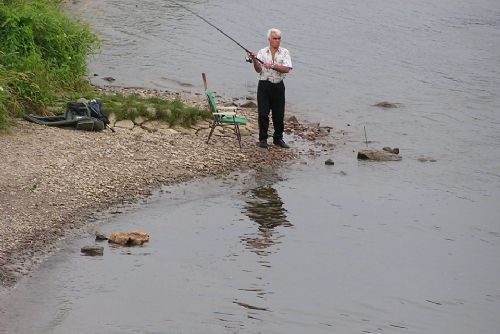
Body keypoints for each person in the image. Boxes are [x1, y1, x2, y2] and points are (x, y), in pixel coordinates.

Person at [247, 28, 293, 148]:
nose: (277, 41)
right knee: (263, 113)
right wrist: (254, 60)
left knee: (278, 114)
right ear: (269, 39)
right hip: (264, 85)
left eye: (279, 39)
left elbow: (287, 68)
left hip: (278, 85)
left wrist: (272, 66)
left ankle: (278, 138)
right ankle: (263, 139)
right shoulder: (262, 52)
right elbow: (258, 70)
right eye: (274, 38)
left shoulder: (285, 52)